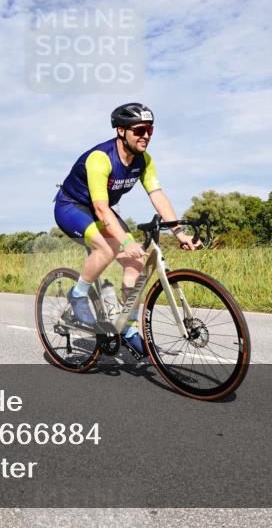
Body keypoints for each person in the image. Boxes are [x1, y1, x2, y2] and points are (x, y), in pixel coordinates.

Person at [53, 103, 200, 355]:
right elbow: (101, 209)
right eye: (139, 130)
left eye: (149, 130)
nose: (146, 136)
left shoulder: (144, 161)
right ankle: (78, 295)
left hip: (100, 209)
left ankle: (128, 328)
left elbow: (157, 195)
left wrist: (179, 233)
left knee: (136, 263)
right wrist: (124, 242)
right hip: (72, 207)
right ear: (121, 131)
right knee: (106, 249)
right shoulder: (101, 158)